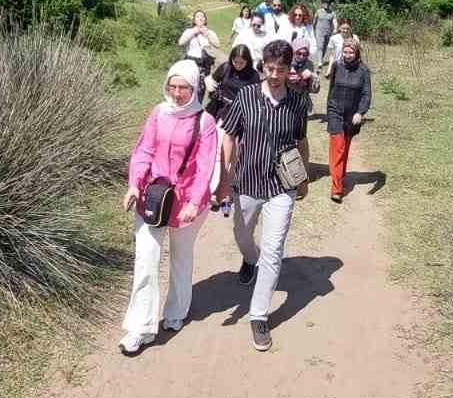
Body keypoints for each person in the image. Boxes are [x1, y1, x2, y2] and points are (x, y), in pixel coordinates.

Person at [120, 60, 219, 355]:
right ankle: (140, 327)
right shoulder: (158, 113)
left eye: (184, 87)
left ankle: (176, 311)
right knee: (146, 261)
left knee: (181, 257)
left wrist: (193, 201)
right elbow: (144, 150)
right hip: (153, 197)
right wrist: (135, 183)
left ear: (194, 88)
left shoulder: (204, 122)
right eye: (173, 86)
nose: (177, 93)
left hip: (187, 202)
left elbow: (205, 166)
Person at [217, 39, 311, 352]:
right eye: (270, 68)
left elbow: (301, 141)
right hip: (246, 182)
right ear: (263, 66)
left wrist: (304, 178)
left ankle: (259, 315)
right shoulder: (245, 96)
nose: (274, 75)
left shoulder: (298, 102)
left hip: (280, 186)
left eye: (281, 69)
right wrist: (225, 177)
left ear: (289, 70)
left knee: (273, 250)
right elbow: (228, 135)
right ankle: (248, 258)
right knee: (242, 236)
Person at [324, 36, 372, 203]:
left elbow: (366, 94)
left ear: (356, 52)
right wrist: (329, 112)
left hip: (352, 115)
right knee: (338, 148)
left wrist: (360, 112)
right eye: (345, 51)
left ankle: (340, 174)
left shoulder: (364, 71)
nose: (347, 54)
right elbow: (331, 91)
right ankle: (336, 188)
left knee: (344, 148)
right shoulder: (337, 66)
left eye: (350, 52)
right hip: (335, 111)